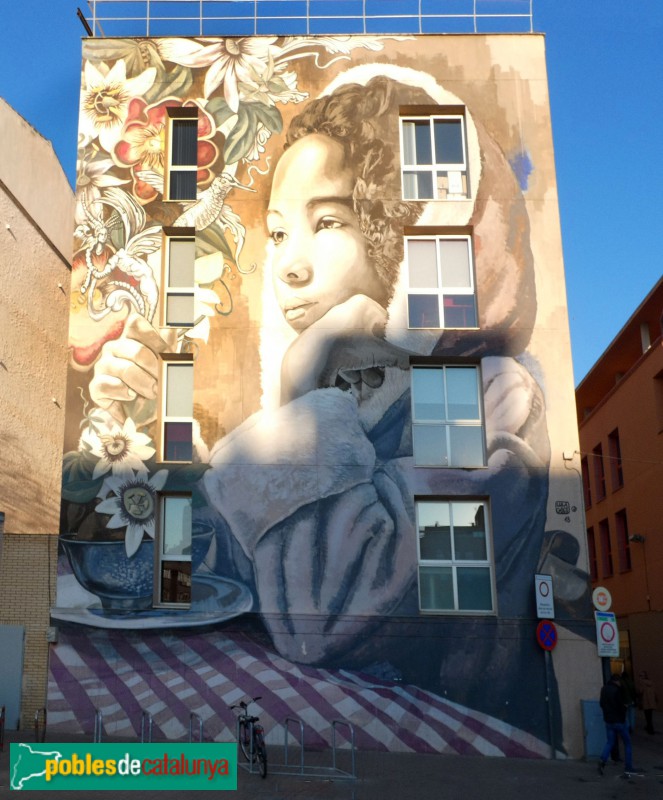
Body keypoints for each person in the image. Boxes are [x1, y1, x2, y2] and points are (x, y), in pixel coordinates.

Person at [85, 71, 560, 739]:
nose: (289, 266)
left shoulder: (490, 401)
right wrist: (129, 439)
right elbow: (170, 577)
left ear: (403, 232)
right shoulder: (332, 401)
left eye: (327, 221)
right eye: (277, 233)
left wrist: (305, 393)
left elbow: (326, 616)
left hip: (440, 757)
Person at [598, 674, 643, 776]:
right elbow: (620, 706)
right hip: (618, 720)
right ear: (617, 681)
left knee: (609, 742)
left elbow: (601, 704)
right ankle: (628, 767)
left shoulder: (604, 689)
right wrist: (624, 709)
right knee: (627, 743)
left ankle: (602, 760)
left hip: (608, 720)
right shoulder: (617, 691)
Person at [637, 670, 657, 734]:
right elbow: (654, 691)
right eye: (639, 675)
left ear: (644, 676)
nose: (640, 677)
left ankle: (650, 730)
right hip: (651, 702)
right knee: (650, 716)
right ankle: (648, 727)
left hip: (646, 702)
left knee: (647, 717)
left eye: (641, 675)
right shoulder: (650, 681)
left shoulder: (641, 682)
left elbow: (640, 691)